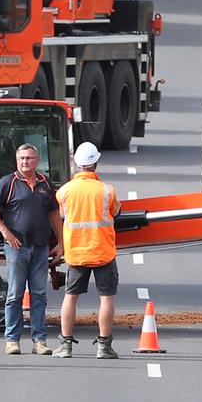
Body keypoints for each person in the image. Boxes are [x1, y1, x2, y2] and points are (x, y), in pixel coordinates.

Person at [0, 143, 63, 355]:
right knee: (15, 295)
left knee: (39, 295)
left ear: (37, 160)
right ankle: (12, 340)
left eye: (29, 158)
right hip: (17, 249)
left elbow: (54, 213)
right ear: (17, 161)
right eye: (22, 159)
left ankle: (40, 341)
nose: (25, 162)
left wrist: (62, 242)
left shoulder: (45, 183)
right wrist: (5, 232)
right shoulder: (8, 182)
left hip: (41, 247)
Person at [55, 142, 122, 359]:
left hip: (76, 253)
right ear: (96, 163)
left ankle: (65, 345)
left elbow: (63, 215)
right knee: (106, 298)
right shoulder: (106, 191)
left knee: (70, 297)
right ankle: (104, 346)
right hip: (103, 252)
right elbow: (117, 210)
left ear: (77, 164)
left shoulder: (64, 191)